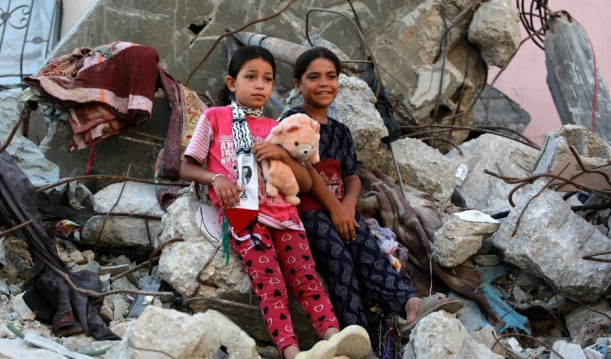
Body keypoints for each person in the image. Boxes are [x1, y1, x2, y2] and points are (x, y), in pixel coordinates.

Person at [180, 45, 371, 359]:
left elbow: (308, 181)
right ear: (232, 83)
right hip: (243, 214)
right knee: (270, 282)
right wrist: (217, 179)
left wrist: (283, 154)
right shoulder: (214, 117)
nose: (260, 85)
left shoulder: (277, 127)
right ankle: (293, 352)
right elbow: (186, 166)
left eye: (267, 79)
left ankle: (334, 341)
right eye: (251, 77)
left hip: (285, 213)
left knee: (306, 278)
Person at [280, 47, 462, 353]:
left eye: (331, 76)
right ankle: (358, 341)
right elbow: (304, 167)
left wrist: (349, 206)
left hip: (341, 209)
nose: (324, 83)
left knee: (368, 249)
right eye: (314, 77)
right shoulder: (292, 122)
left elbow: (352, 176)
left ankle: (410, 303)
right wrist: (337, 209)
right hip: (309, 211)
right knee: (339, 260)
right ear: (298, 85)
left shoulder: (340, 131)